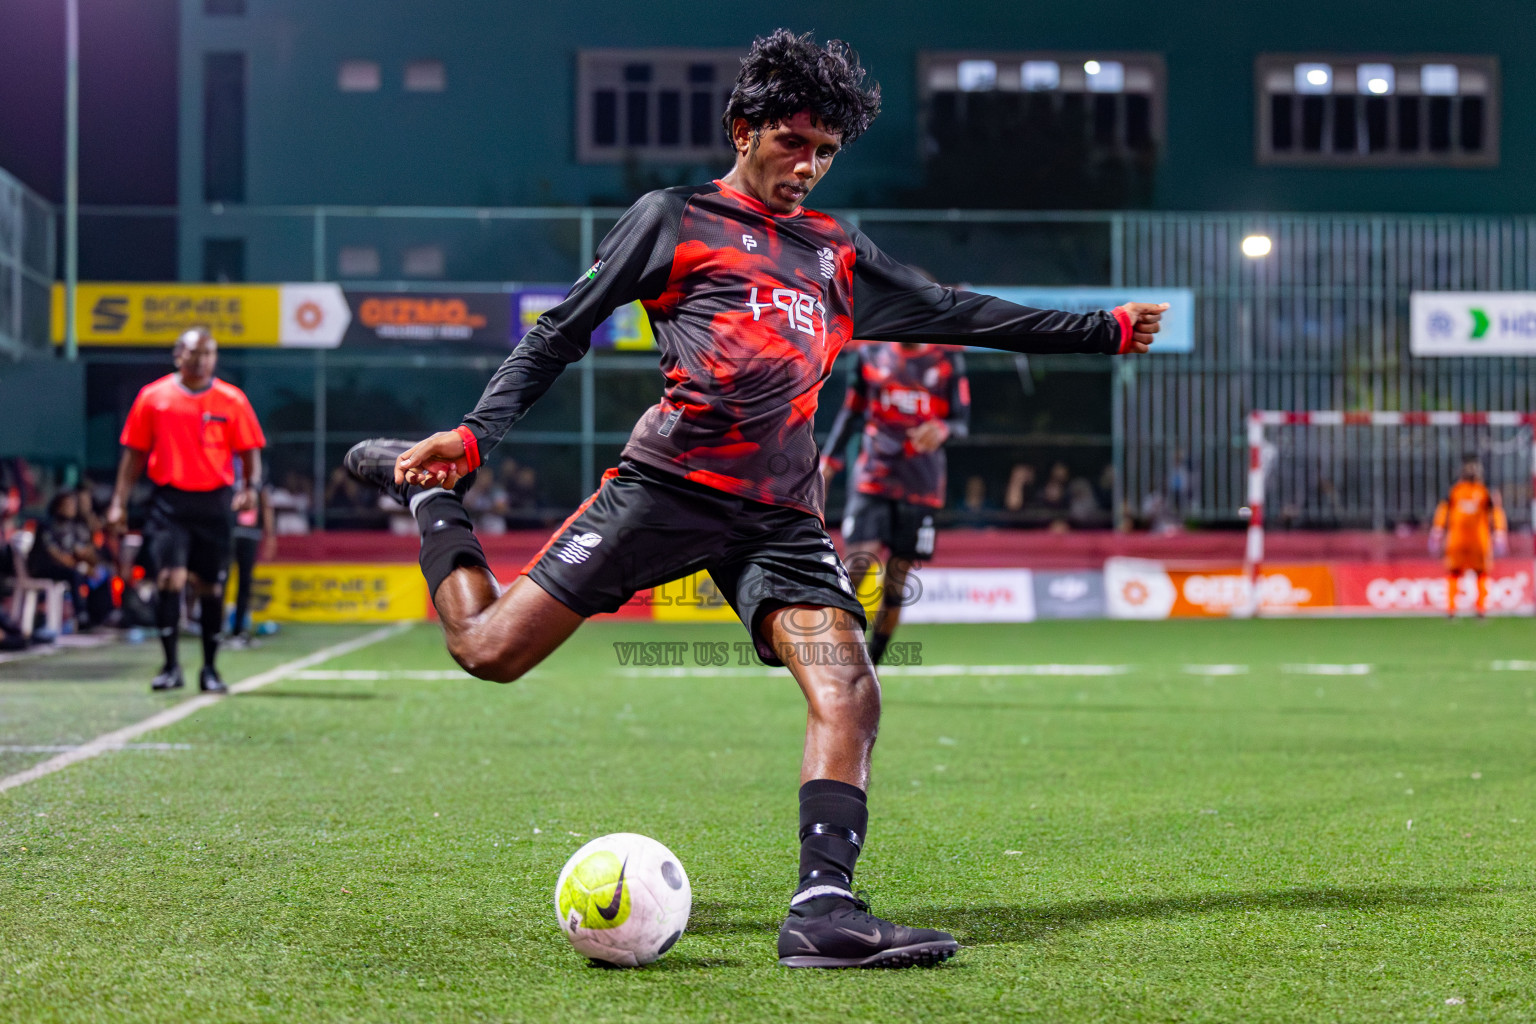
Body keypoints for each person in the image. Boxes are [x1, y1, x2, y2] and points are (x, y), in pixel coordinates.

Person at [344, 29, 1165, 970]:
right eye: (794, 143)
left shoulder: (837, 254)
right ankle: (434, 504)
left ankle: (823, 909)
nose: (809, 166)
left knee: (849, 684)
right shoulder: (674, 218)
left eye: (825, 151)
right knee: (487, 651)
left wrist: (1099, 330)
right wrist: (478, 436)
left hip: (779, 518)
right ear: (744, 130)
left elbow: (954, 310)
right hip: (663, 489)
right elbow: (557, 334)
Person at [107, 328, 266, 693]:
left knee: (211, 586)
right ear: (178, 354)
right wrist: (119, 501)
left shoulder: (232, 400)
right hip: (169, 502)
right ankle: (169, 666)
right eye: (195, 352)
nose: (202, 359)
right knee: (170, 579)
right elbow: (133, 454)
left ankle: (210, 669)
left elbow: (250, 451)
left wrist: (250, 488)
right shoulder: (153, 397)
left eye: (209, 353)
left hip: (214, 502)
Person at [820, 342, 969, 664]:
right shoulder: (869, 355)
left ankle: (871, 664)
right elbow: (852, 411)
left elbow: (961, 420)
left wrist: (943, 428)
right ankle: (830, 655)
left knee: (897, 581)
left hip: (921, 483)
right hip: (874, 476)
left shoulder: (945, 359)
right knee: (858, 563)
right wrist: (830, 459)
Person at [1430, 453, 1508, 618]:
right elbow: (1443, 510)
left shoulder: (1485, 491)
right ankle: (1451, 609)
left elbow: (1496, 512)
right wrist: (1437, 529)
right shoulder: (1455, 490)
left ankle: (1481, 609)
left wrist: (1499, 531)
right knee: (1454, 572)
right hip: (1458, 540)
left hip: (1478, 540)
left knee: (1481, 573)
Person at [26, 490, 100, 630]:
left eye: (73, 504)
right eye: (68, 504)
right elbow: (57, 556)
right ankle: (81, 616)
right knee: (75, 574)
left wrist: (91, 539)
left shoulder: (72, 526)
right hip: (41, 569)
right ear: (58, 506)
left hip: (63, 569)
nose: (72, 507)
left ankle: (99, 616)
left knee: (98, 575)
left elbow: (82, 553)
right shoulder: (46, 526)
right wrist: (81, 567)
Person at [228, 476, 276, 646]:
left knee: (243, 583)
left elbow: (266, 504)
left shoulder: (257, 478)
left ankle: (237, 630)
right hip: (231, 532)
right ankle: (223, 630)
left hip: (246, 534)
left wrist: (270, 536)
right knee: (221, 581)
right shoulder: (229, 471)